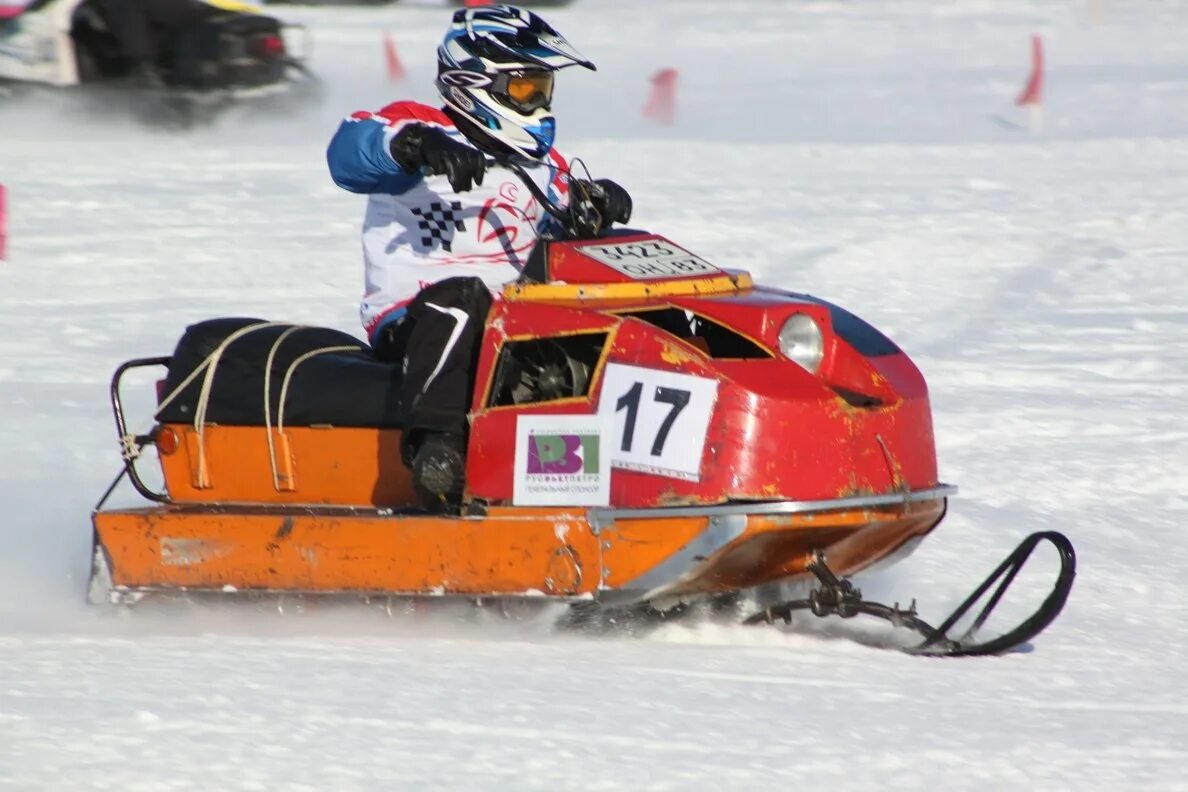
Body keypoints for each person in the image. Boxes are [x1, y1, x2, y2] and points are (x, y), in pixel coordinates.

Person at [326, 5, 632, 513]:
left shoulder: (542, 164)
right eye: (524, 89)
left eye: (542, 89)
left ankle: (610, 471)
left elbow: (561, 233)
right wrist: (413, 147)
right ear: (476, 82)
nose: (537, 102)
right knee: (464, 297)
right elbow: (350, 154)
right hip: (416, 315)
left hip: (512, 315)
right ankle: (435, 453)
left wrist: (597, 204)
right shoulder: (417, 124)